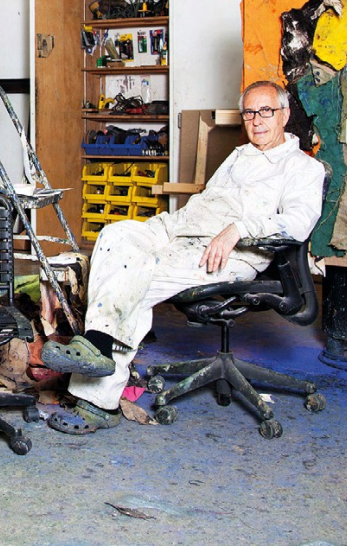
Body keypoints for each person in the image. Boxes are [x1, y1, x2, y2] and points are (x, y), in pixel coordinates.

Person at [42, 80, 325, 434]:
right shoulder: (240, 155)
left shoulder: (302, 168)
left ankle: (98, 398)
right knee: (115, 235)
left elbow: (297, 224)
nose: (257, 121)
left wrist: (240, 228)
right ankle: (95, 349)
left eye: (266, 111)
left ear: (284, 114)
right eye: (250, 113)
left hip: (228, 252)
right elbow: (207, 203)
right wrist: (171, 228)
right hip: (181, 230)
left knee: (137, 277)